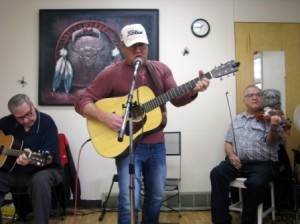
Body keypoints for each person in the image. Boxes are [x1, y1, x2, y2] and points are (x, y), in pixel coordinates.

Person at [74, 23, 210, 224]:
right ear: (122, 46)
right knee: (129, 200)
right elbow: (81, 101)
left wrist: (193, 90)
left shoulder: (161, 70)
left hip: (157, 146)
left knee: (155, 196)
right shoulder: (111, 73)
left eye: (142, 46)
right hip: (128, 147)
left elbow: (177, 99)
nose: (138, 50)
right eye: (133, 46)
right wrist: (105, 117)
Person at [210, 85, 286, 224]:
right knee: (217, 173)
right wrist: (231, 156)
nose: (254, 97)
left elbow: (271, 142)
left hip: (263, 164)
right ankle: (221, 220)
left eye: (258, 94)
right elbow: (227, 143)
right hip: (238, 162)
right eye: (250, 95)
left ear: (262, 98)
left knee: (256, 183)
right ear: (245, 100)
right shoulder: (237, 119)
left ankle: (248, 220)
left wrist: (274, 127)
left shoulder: (271, 117)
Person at [0, 94, 63, 224]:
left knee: (40, 180)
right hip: (14, 174)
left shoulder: (46, 122)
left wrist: (31, 160)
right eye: (20, 118)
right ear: (13, 115)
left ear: (32, 105)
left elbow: (49, 158)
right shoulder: (7, 122)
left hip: (47, 170)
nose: (26, 120)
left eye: (28, 114)